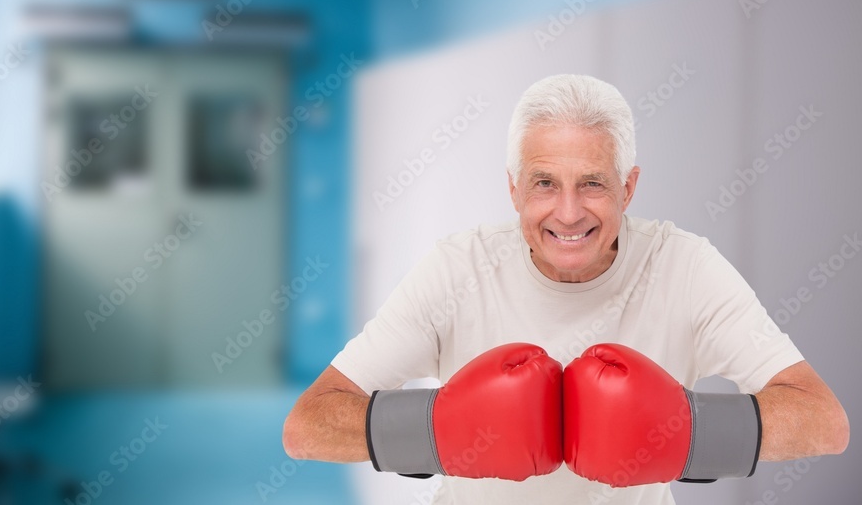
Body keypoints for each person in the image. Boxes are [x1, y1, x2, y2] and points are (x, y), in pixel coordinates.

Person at [282, 74, 849, 504]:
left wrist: (683, 433)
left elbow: (824, 421)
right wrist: (440, 430)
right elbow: (307, 427)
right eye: (545, 183)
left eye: (594, 184)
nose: (569, 212)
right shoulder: (457, 268)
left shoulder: (686, 266)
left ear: (629, 187)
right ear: (513, 189)